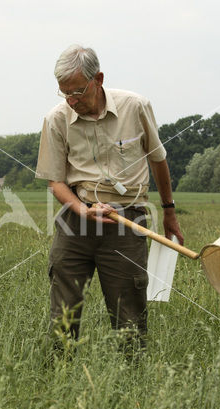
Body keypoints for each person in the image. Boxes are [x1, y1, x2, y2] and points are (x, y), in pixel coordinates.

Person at [36, 44, 183, 351]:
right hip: (75, 218)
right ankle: (58, 380)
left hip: (127, 220)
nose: (72, 101)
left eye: (78, 91)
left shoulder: (136, 106)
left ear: (98, 79)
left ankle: (133, 385)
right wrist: (80, 209)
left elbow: (158, 160)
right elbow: (56, 181)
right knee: (63, 313)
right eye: (65, 93)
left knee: (129, 316)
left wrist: (169, 211)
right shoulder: (56, 119)